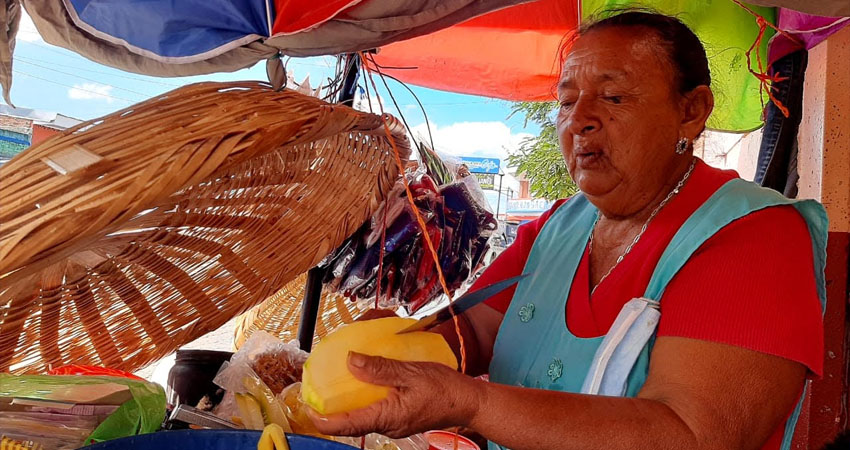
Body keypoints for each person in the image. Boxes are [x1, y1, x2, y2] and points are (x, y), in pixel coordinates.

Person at [309, 10, 828, 450]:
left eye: (614, 97)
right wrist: (403, 351)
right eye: (566, 100)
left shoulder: (755, 234)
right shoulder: (559, 225)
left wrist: (470, 403)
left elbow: (693, 434)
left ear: (691, 112)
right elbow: (476, 333)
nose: (579, 120)